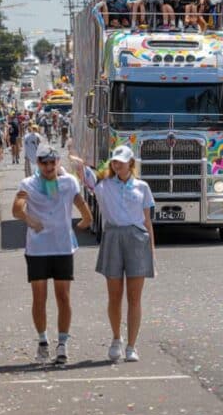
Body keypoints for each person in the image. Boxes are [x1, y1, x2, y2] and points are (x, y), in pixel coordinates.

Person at [11, 145, 92, 365]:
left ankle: (63, 343)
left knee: (63, 296)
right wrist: (30, 220)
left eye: (52, 162)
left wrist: (85, 220)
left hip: (62, 247)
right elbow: (16, 209)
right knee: (39, 297)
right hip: (38, 248)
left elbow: (82, 207)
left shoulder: (68, 183)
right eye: (44, 163)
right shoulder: (28, 184)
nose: (48, 167)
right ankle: (43, 341)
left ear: (58, 162)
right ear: (38, 164)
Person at [78, 146, 155, 363]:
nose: (117, 165)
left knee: (134, 297)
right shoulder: (103, 186)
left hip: (137, 238)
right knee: (114, 295)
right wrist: (77, 155)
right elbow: (84, 174)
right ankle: (116, 338)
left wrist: (152, 251)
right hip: (112, 236)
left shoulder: (142, 187)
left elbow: (147, 220)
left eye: (121, 161)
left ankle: (132, 345)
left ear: (131, 163)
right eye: (114, 161)